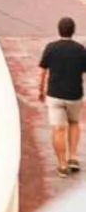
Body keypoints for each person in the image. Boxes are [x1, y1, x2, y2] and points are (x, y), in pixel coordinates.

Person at [39, 13, 86, 175]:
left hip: (55, 95)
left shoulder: (51, 48)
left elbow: (43, 71)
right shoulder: (81, 50)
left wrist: (40, 90)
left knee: (58, 129)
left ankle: (62, 165)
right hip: (74, 95)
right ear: (73, 31)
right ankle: (73, 157)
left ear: (59, 30)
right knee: (73, 123)